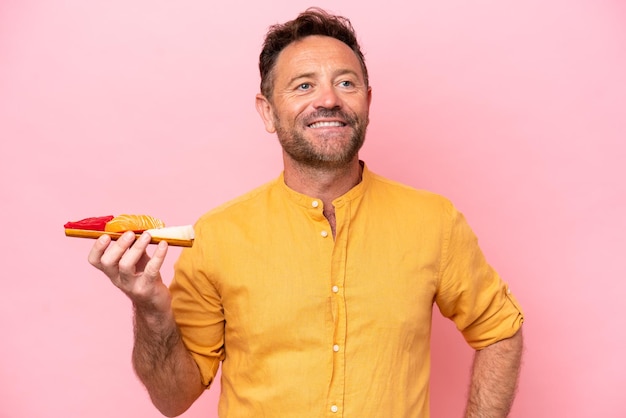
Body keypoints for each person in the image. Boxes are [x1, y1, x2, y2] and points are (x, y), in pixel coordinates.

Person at [88, 7, 524, 418]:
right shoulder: (217, 236)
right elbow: (172, 398)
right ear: (268, 112)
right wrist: (150, 309)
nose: (329, 100)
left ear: (367, 102)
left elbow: (500, 330)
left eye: (346, 83)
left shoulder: (435, 222)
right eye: (303, 85)